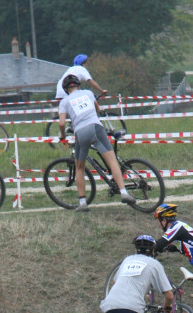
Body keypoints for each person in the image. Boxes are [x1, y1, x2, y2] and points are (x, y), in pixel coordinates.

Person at [58, 75, 136, 211]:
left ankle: (82, 202)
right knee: (112, 162)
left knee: (80, 167)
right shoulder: (88, 93)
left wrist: (63, 136)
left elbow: (61, 123)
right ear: (79, 86)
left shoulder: (64, 102)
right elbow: (98, 110)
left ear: (66, 89)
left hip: (80, 133)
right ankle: (124, 193)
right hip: (95, 127)